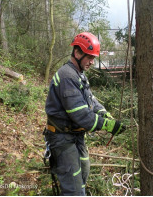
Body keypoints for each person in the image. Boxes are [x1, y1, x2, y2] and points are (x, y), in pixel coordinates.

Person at [43, 32, 126, 196]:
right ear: (77, 53)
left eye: (93, 58)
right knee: (74, 188)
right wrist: (108, 125)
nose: (92, 62)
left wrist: (104, 113)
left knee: (84, 172)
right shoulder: (67, 76)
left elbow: (90, 100)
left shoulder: (78, 74)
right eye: (89, 57)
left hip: (76, 136)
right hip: (62, 138)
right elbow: (81, 115)